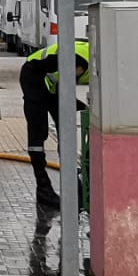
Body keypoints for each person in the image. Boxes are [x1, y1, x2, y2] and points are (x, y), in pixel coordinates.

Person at [18, 40, 89, 209]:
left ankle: (72, 185)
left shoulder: (92, 58)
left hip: (51, 83)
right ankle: (44, 189)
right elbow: (66, 91)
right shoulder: (81, 59)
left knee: (64, 129)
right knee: (39, 131)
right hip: (33, 76)